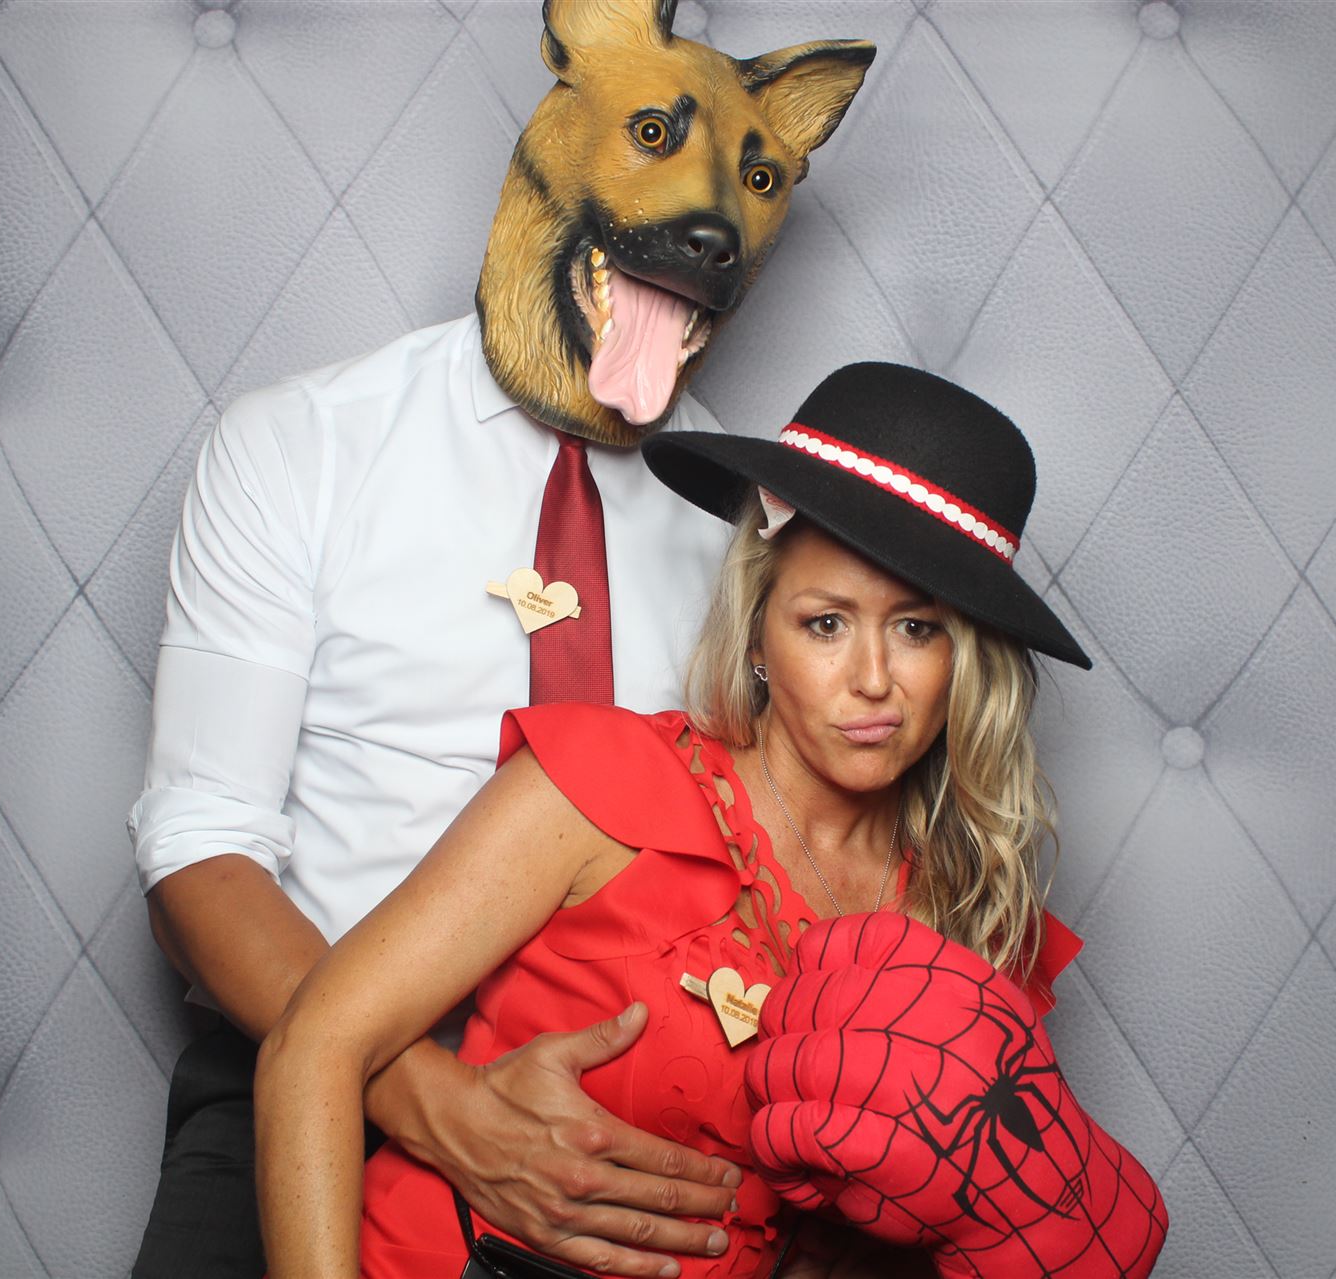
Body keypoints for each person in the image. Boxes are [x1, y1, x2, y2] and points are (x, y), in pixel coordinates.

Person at [127, 2, 875, 1271]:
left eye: (757, 180)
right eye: (655, 136)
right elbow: (200, 851)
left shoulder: (755, 544)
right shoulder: (301, 446)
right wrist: (429, 1096)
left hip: (628, 1119)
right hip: (301, 1070)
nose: (713, 219)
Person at [255, 363, 1170, 1278]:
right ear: (761, 629)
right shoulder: (600, 787)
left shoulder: (971, 925)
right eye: (825, 623)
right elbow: (311, 1048)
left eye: (917, 629)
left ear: (968, 660)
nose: (873, 680)